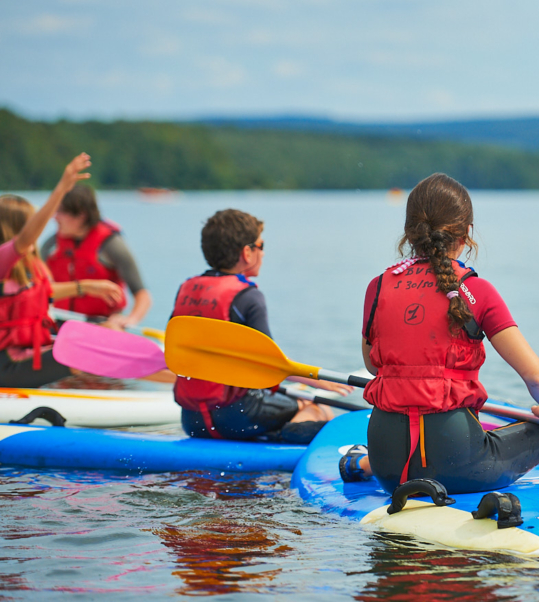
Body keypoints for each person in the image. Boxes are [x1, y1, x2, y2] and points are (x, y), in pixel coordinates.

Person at [343, 173, 539, 495]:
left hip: (388, 467)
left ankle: (363, 463)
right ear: (467, 233)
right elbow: (537, 378)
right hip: (459, 467)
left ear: (409, 232)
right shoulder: (477, 291)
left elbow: (373, 366)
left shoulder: (377, 286)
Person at [171, 209, 350, 443]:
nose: (263, 253)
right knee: (317, 408)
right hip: (236, 415)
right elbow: (267, 364)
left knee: (282, 401)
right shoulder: (248, 297)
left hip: (191, 419)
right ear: (247, 253)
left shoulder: (186, 289)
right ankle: (286, 437)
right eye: (261, 246)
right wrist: (311, 378)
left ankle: (273, 433)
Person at [0, 153, 119, 386]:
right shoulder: (2, 260)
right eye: (32, 224)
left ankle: (178, 382)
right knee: (85, 352)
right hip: (7, 366)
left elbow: (41, 292)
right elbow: (26, 239)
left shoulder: (27, 267)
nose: (39, 231)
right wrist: (62, 188)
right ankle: (175, 389)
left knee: (105, 334)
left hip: (28, 351)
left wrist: (87, 286)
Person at [42, 185, 151, 329]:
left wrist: (130, 320)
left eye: (61, 212)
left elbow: (142, 294)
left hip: (101, 325)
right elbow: (38, 290)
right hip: (58, 322)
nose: (55, 218)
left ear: (81, 215)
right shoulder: (51, 246)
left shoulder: (110, 244)